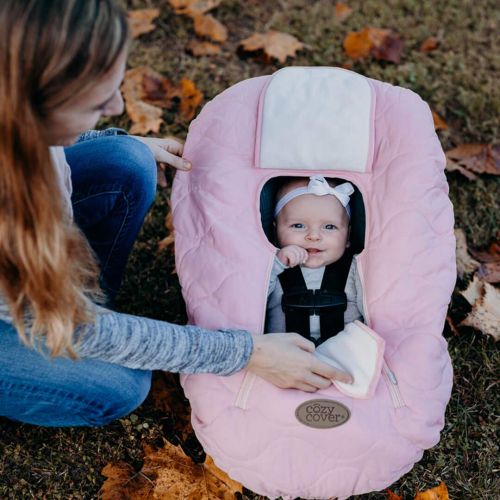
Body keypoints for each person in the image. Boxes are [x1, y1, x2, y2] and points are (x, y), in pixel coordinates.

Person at [0, 0, 352, 428]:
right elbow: (71, 327)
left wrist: (109, 138)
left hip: (37, 277)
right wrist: (246, 353)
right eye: (95, 101)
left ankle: (95, 304)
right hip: (27, 306)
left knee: (125, 159)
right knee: (119, 384)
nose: (116, 104)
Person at [266, 175, 364, 343]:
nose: (313, 236)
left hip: (343, 355)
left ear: (348, 235)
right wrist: (276, 264)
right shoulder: (270, 266)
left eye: (329, 226)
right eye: (298, 226)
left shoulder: (357, 267)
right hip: (282, 358)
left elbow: (375, 309)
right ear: (275, 232)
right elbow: (251, 301)